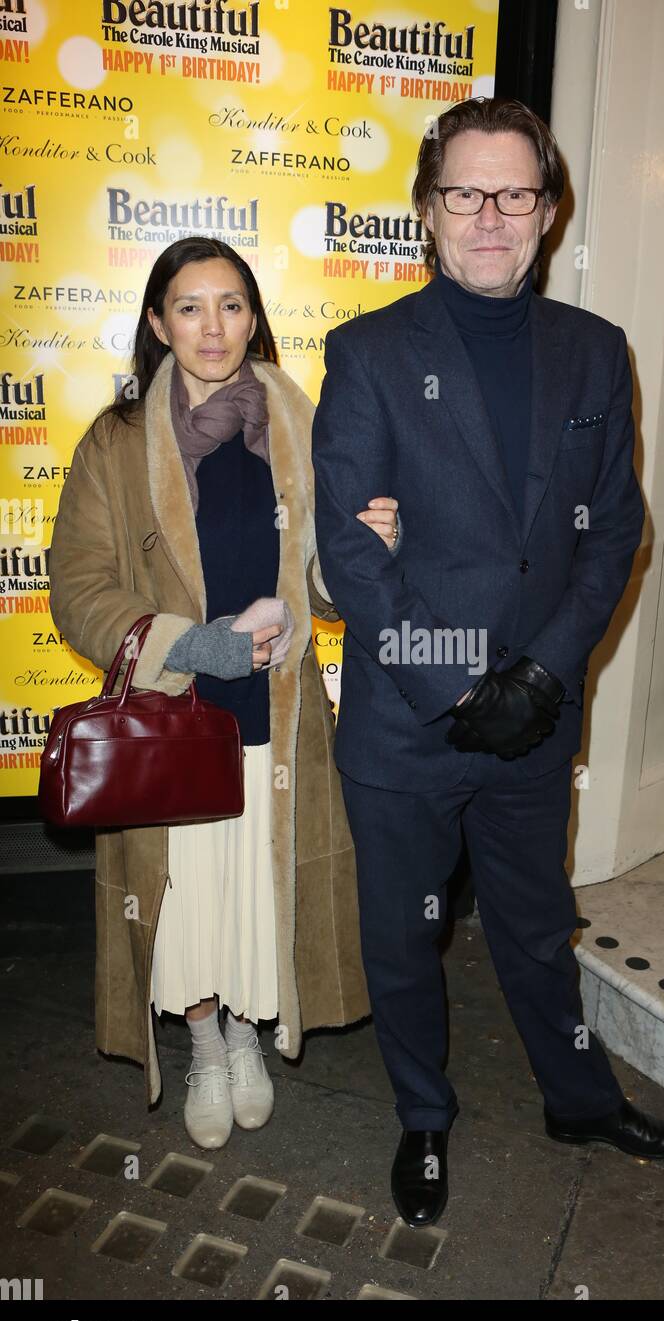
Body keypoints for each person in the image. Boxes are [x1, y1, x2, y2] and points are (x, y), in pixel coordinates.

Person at [312, 97, 664, 1227]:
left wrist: (536, 677)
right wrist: (460, 687)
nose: (489, 217)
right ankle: (423, 1117)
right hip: (408, 727)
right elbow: (354, 550)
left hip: (533, 717)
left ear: (547, 208)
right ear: (427, 213)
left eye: (514, 193)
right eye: (463, 194)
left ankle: (575, 1098)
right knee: (405, 936)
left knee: (535, 923)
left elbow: (613, 532)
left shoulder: (593, 352)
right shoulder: (370, 353)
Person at [49, 236, 400, 1148]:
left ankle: (247, 1034)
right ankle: (206, 1044)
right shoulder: (117, 441)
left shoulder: (299, 419)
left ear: (256, 317)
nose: (215, 326)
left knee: (258, 890)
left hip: (276, 720)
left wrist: (365, 552)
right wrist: (200, 646)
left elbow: (323, 580)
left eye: (233, 305)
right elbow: (79, 590)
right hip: (174, 722)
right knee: (188, 900)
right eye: (192, 307)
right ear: (159, 323)